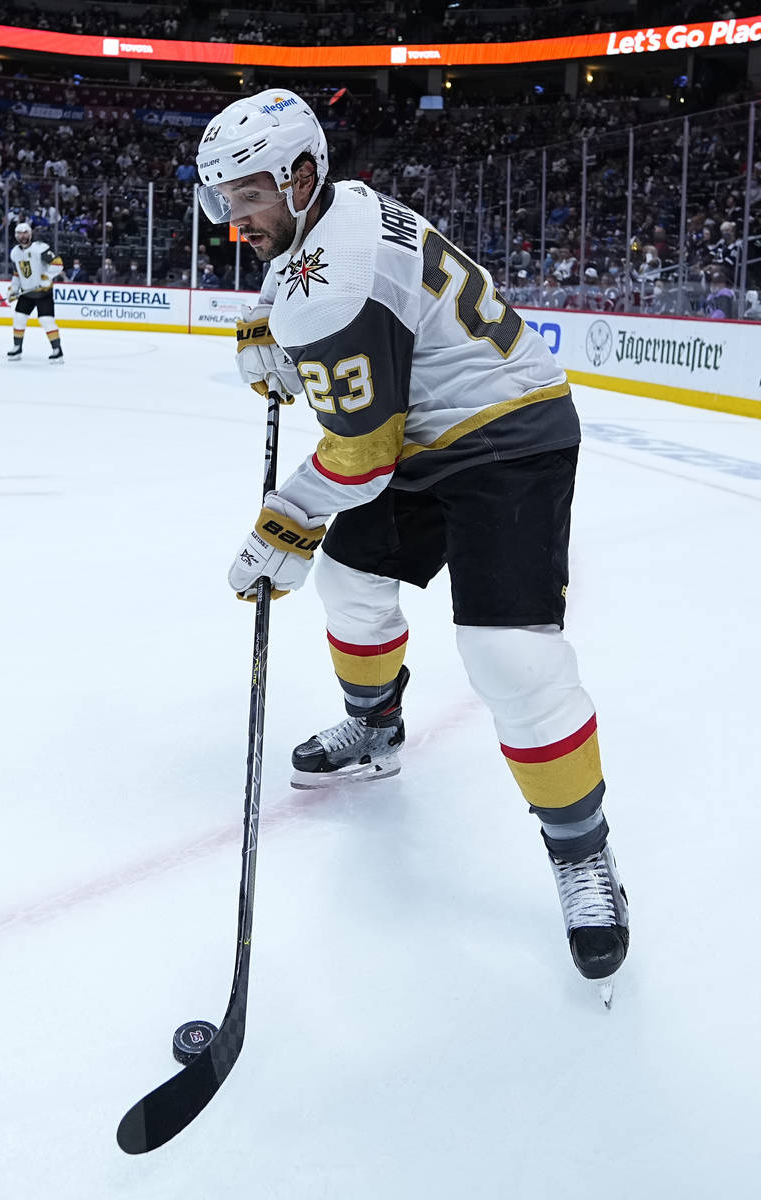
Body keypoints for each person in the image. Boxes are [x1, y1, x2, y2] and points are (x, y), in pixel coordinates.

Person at [196, 90, 629, 995]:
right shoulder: (339, 208)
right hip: (427, 427)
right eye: (224, 200)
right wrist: (263, 319)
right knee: (352, 582)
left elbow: (359, 452)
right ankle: (377, 726)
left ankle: (581, 854)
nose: (235, 221)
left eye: (249, 198)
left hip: (510, 434)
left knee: (511, 658)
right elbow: (307, 286)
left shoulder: (336, 277)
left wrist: (285, 523)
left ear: (300, 174)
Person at [6, 222, 64, 362]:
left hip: (43, 293)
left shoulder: (40, 248)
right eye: (19, 233)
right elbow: (17, 273)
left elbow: (58, 264)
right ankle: (17, 348)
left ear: (30, 234)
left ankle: (57, 351)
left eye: (25, 232)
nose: (23, 236)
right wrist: (13, 289)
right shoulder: (15, 253)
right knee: (19, 318)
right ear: (15, 235)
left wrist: (47, 277)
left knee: (46, 320)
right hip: (27, 293)